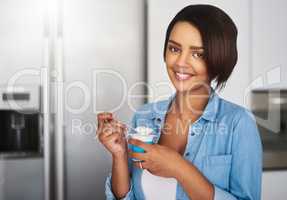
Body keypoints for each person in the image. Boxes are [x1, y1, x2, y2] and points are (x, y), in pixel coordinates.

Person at [97, 4, 262, 200]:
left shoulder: (239, 123)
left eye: (197, 54)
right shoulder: (144, 116)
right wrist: (119, 155)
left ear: (219, 59)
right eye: (174, 48)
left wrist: (179, 168)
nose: (181, 63)